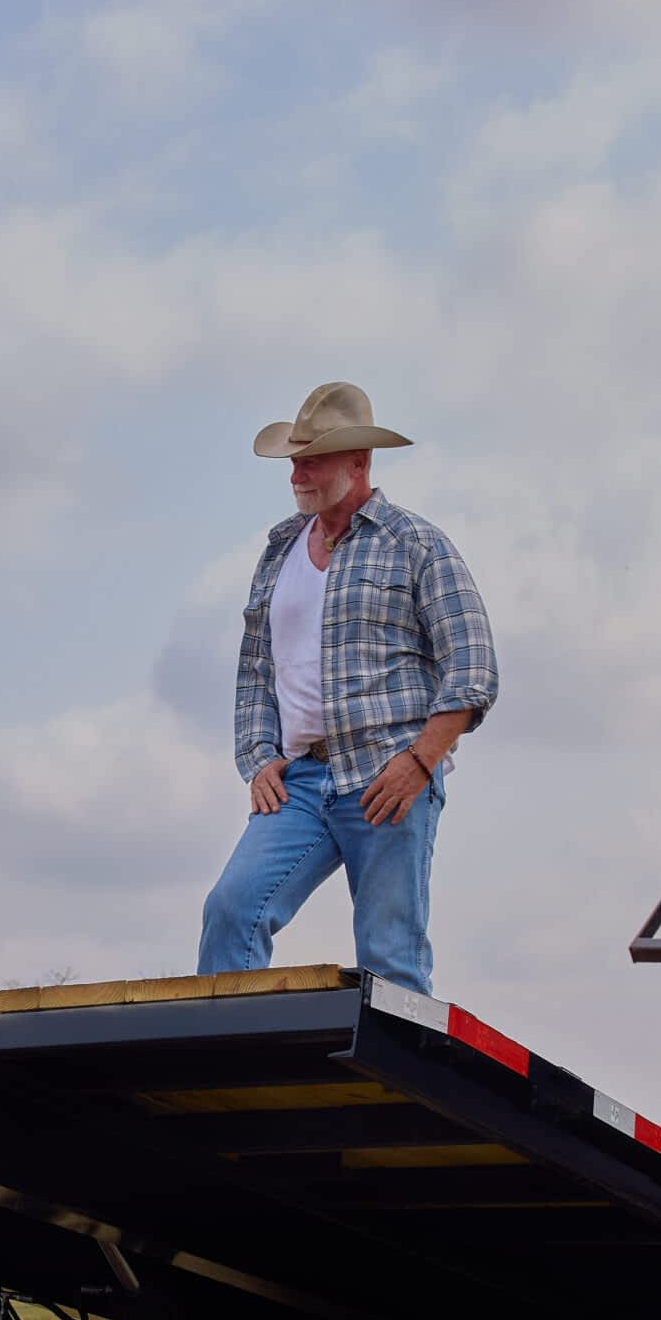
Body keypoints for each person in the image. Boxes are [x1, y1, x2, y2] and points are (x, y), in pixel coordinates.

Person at [196, 381, 499, 993]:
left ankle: (405, 1087)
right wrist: (258, 761)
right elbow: (256, 668)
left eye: (312, 460)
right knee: (230, 910)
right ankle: (229, 1068)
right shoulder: (279, 549)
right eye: (293, 461)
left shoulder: (416, 544)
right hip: (301, 782)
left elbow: (473, 670)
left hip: (389, 775)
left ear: (358, 462)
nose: (296, 475)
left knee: (389, 959)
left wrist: (419, 762)